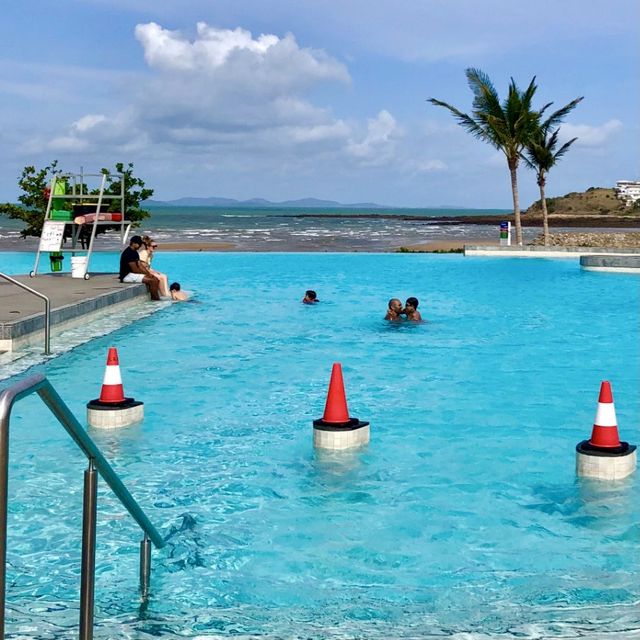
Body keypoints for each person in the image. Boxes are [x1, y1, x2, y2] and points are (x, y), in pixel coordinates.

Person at [119, 236, 160, 300]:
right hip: (127, 275)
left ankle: (156, 297)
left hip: (133, 274)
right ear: (133, 243)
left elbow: (140, 265)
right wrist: (147, 275)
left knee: (156, 279)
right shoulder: (128, 253)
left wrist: (148, 274)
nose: (140, 246)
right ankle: (155, 299)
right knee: (152, 281)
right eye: (139, 244)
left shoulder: (135, 252)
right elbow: (135, 269)